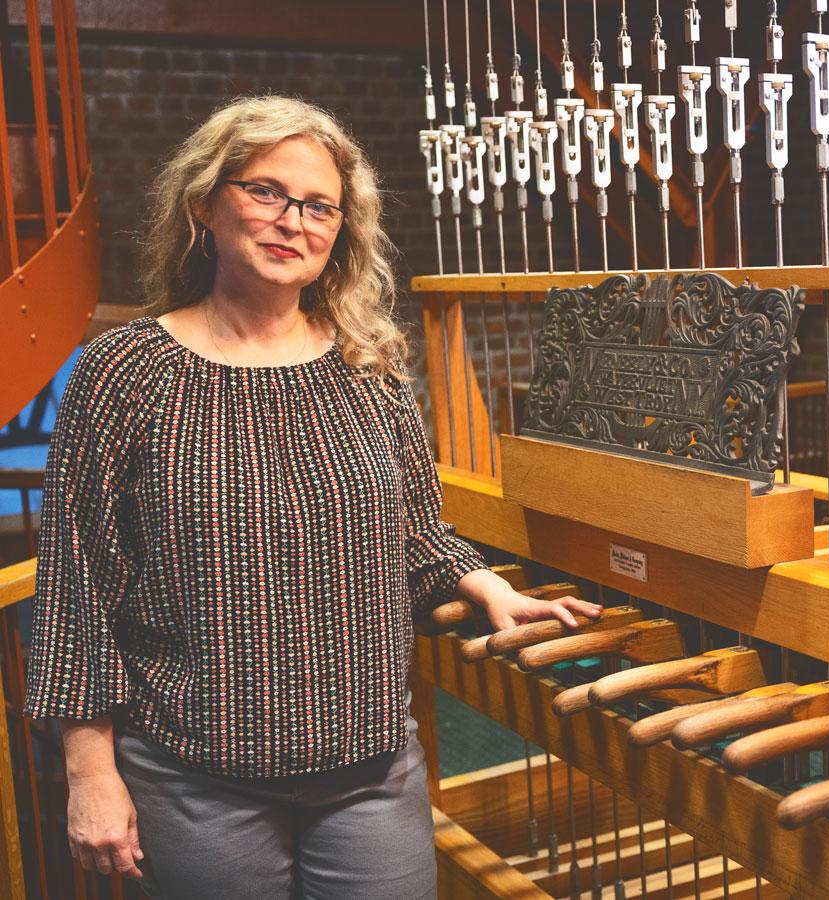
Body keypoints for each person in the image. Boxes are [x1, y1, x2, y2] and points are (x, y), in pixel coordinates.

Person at [23, 94, 603, 900]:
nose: (293, 219)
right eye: (266, 191)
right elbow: (76, 588)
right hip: (197, 778)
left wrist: (484, 582)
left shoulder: (371, 365)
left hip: (370, 766)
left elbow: (413, 530)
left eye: (320, 206)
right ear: (205, 203)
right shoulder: (125, 372)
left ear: (340, 232)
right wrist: (90, 773)